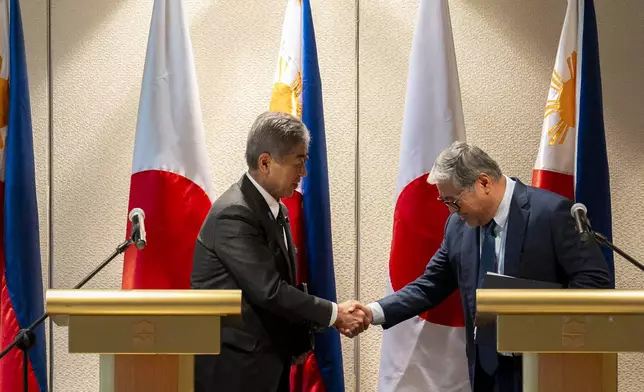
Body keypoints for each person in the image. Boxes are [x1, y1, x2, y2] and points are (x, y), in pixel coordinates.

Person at [348, 141, 612, 392]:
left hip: (545, 367)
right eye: (446, 203)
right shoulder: (458, 227)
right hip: (486, 371)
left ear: (483, 182)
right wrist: (373, 312)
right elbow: (430, 285)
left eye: (453, 201)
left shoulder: (551, 213)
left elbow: (593, 281)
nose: (452, 211)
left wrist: (544, 330)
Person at [191, 112, 368, 392]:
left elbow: (281, 285)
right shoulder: (234, 214)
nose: (304, 173)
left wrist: (296, 338)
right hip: (233, 373)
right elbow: (270, 291)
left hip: (268, 364)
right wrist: (335, 314)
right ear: (266, 162)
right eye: (298, 161)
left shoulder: (276, 209)